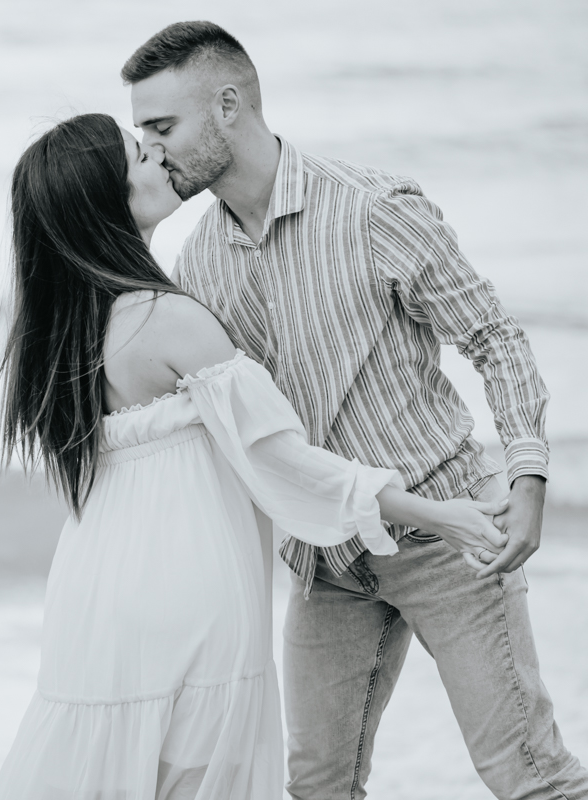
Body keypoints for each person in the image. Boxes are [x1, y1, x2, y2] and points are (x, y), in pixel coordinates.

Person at [122, 21, 588, 800]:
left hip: (450, 540)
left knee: (528, 776)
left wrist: (528, 475)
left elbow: (494, 338)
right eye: (145, 133)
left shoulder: (373, 208)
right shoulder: (197, 262)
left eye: (163, 127)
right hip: (327, 562)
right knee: (317, 788)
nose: (154, 150)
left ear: (229, 104)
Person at [0, 112, 506, 800]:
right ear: (104, 197)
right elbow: (281, 460)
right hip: (186, 593)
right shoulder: (165, 317)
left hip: (96, 594)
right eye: (137, 154)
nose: (158, 156)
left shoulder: (75, 326)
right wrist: (434, 514)